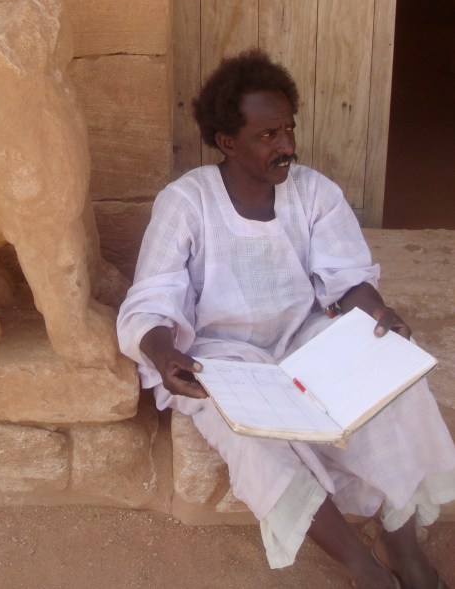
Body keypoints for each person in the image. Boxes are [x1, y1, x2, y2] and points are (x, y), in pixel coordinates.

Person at [117, 49, 455, 589]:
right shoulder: (187, 203)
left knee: (396, 390)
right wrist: (164, 354)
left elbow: (346, 279)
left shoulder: (313, 192)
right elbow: (151, 299)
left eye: (289, 130)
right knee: (253, 440)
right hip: (223, 357)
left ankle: (400, 543)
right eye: (268, 135)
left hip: (306, 339)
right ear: (227, 141)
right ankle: (363, 569)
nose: (287, 147)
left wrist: (378, 313)